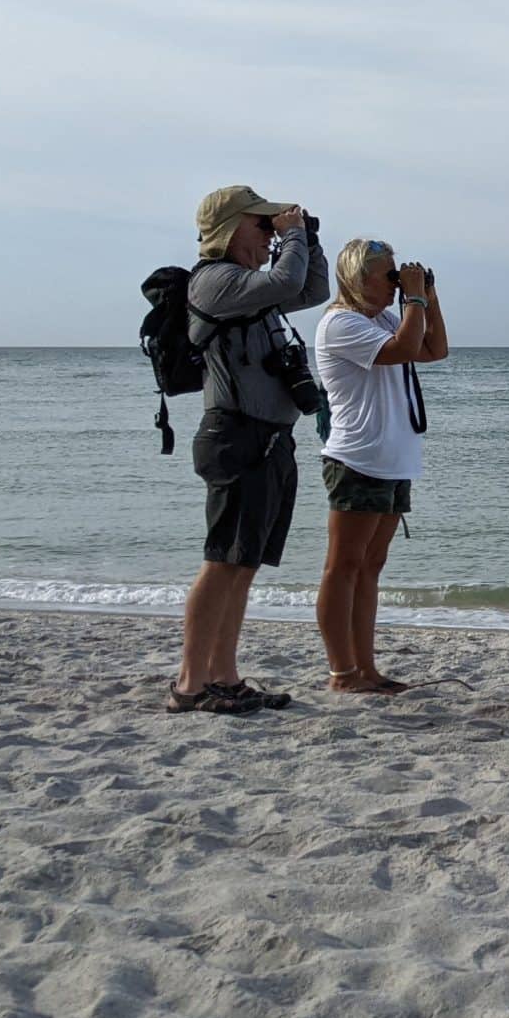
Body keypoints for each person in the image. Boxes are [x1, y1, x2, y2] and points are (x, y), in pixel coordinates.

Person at [171, 185, 329, 714]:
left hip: (268, 439)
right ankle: (190, 685)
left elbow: (309, 290)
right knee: (221, 561)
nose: (269, 235)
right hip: (235, 436)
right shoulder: (215, 281)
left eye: (272, 226)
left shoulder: (250, 287)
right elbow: (287, 277)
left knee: (243, 565)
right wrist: (291, 240)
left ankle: (225, 676)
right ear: (231, 228)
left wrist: (306, 238)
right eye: (261, 226)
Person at [314, 238, 447, 694]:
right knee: (343, 567)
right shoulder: (340, 323)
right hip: (358, 457)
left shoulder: (386, 319)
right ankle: (342, 672)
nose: (394, 283)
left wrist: (427, 297)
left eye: (398, 275)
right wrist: (412, 298)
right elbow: (405, 349)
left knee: (371, 566)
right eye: (388, 275)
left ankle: (365, 669)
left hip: (392, 460)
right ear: (358, 277)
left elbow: (434, 349)